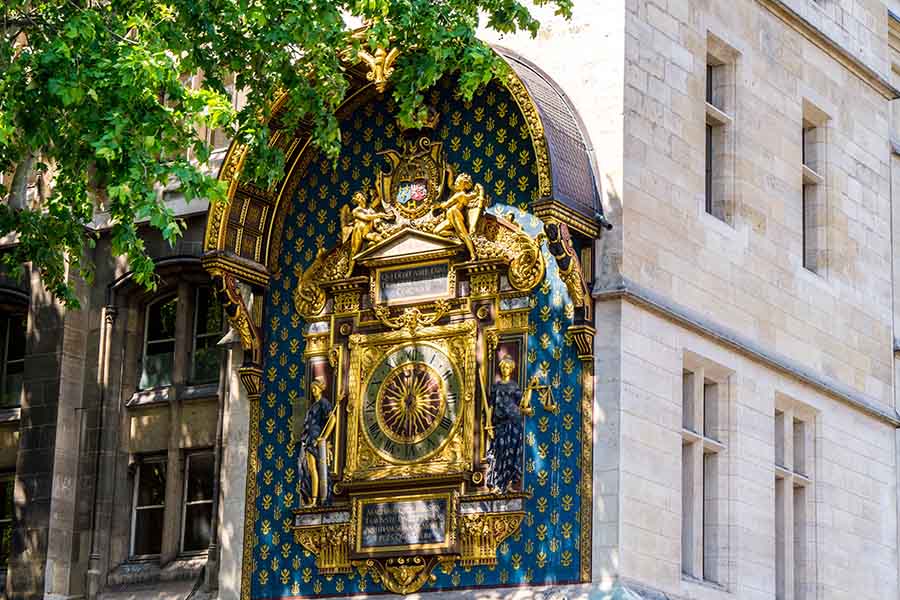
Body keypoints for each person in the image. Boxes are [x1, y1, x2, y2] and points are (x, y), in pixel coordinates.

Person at [486, 357, 536, 493]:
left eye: (507, 367)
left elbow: (524, 404)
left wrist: (530, 387)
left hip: (514, 423)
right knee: (500, 453)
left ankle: (508, 484)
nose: (505, 369)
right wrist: (488, 424)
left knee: (511, 454)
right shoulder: (496, 387)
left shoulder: (514, 386)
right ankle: (497, 484)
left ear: (511, 369)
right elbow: (491, 407)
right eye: (503, 367)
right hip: (500, 424)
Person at [299, 378, 336, 507]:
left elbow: (332, 419)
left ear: (320, 389)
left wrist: (323, 437)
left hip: (315, 439)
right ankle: (313, 499)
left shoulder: (323, 403)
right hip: (309, 440)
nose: (313, 391)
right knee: (310, 469)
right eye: (312, 389)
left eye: (315, 388)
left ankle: (317, 499)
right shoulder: (313, 405)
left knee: (316, 470)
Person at [434, 173, 483, 260]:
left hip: (455, 214)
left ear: (463, 185)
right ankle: (455, 236)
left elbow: (446, 204)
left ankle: (472, 253)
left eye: (458, 182)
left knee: (463, 234)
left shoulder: (460, 195)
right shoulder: (460, 193)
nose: (455, 183)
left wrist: (438, 205)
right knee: (436, 232)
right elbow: (450, 185)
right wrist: (450, 172)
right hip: (450, 218)